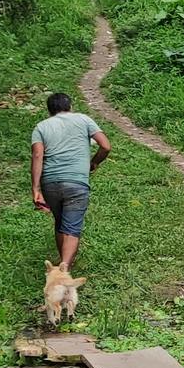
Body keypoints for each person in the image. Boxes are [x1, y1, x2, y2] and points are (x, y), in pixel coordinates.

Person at [30, 92, 110, 270]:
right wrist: (95, 162)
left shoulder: (41, 127)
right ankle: (64, 269)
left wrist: (35, 188)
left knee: (60, 222)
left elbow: (37, 155)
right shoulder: (84, 120)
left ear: (49, 110)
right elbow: (105, 146)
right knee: (72, 227)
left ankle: (63, 267)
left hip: (50, 183)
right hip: (77, 183)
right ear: (70, 107)